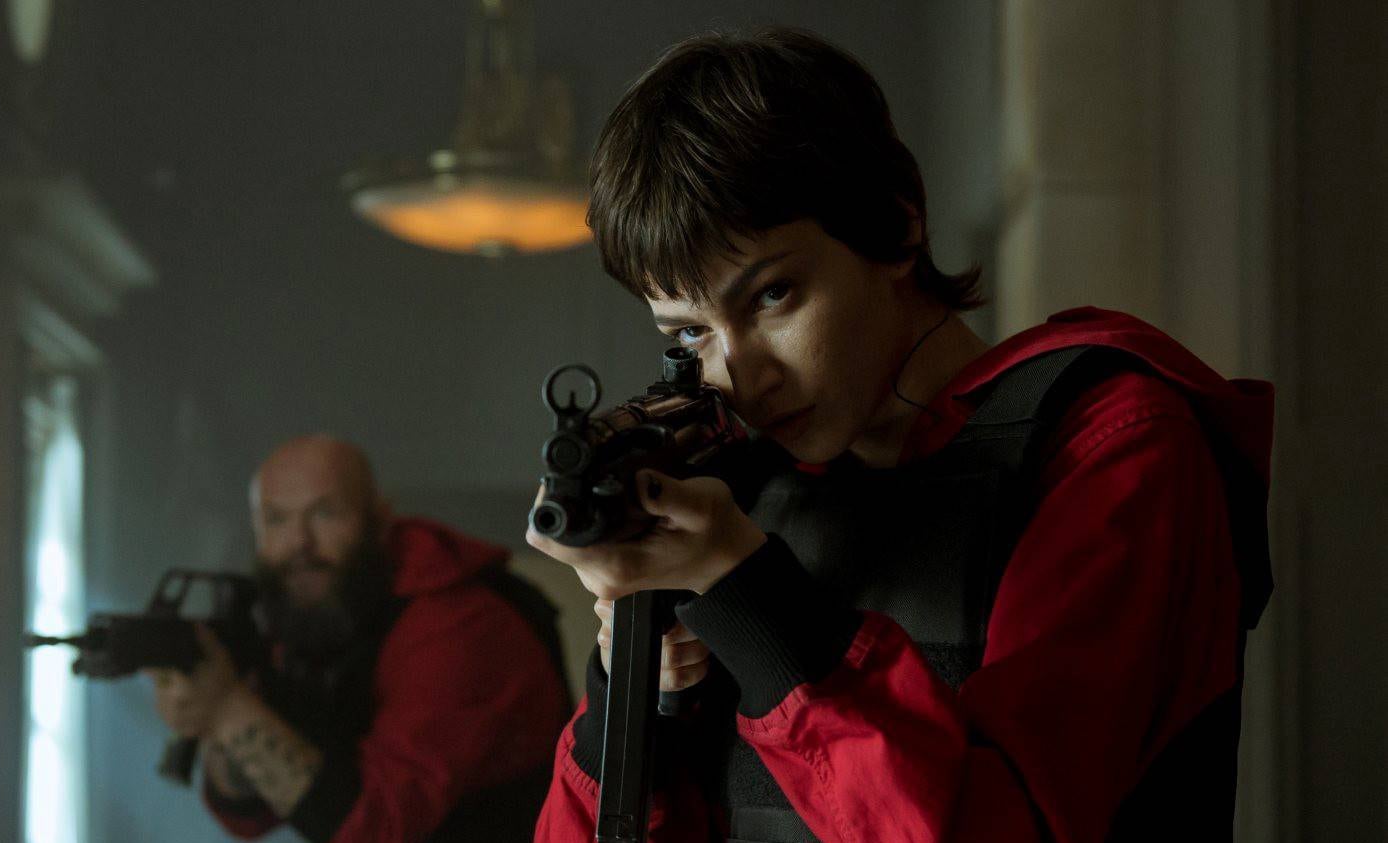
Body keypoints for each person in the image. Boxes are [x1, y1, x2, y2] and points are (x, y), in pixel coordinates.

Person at [527, 27, 1273, 843]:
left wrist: (753, 601)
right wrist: (636, 689)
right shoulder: (751, 488)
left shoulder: (1109, 443)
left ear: (895, 224)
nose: (742, 378)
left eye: (773, 295)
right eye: (690, 333)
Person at [147, 435, 570, 843]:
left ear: (379, 520)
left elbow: (378, 826)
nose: (300, 542)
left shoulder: (460, 624)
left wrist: (228, 710)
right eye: (276, 519)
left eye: (325, 513)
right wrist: (217, 719)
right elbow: (257, 810)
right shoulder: (314, 606)